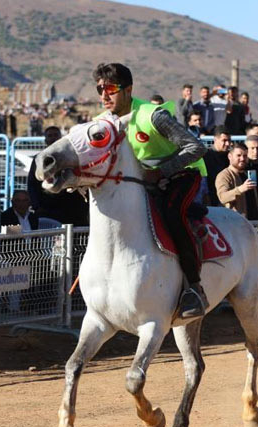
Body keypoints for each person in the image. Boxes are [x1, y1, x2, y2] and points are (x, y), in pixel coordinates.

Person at [93, 62, 210, 318]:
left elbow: (196, 148)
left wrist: (161, 171)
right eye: (100, 88)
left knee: (171, 214)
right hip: (144, 183)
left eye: (110, 88)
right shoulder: (101, 123)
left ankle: (194, 288)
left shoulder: (153, 115)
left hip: (182, 174)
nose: (104, 95)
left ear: (128, 90)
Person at [28, 126, 89, 226]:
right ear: (45, 140)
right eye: (50, 135)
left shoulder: (72, 158)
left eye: (56, 135)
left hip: (73, 209)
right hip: (48, 210)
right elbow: (32, 185)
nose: (53, 138)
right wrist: (37, 206)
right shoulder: (38, 160)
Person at [216, 144, 258, 220]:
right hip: (235, 223)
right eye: (238, 155)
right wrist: (241, 189)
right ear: (230, 156)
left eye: (245, 156)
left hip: (253, 223)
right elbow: (223, 197)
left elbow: (254, 202)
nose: (242, 159)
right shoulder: (224, 175)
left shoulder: (247, 175)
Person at [203, 126, 232, 206]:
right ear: (215, 140)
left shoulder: (230, 156)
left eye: (229, 140)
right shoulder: (206, 156)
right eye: (224, 140)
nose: (228, 144)